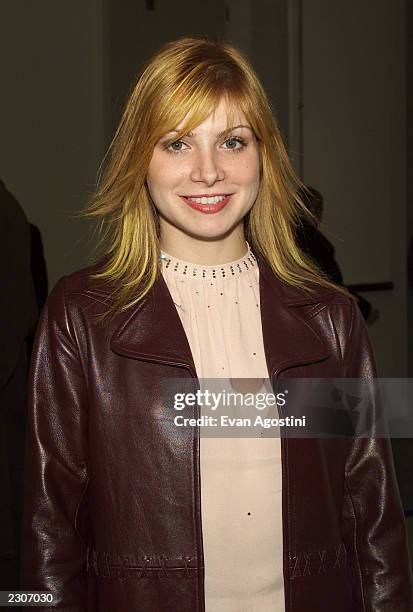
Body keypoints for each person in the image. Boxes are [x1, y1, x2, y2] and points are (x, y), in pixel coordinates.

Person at [20, 37, 413, 611]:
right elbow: (49, 533)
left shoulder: (330, 319)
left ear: (263, 158)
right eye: (177, 143)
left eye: (233, 141)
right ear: (139, 160)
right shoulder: (81, 316)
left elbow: (373, 517)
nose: (208, 172)